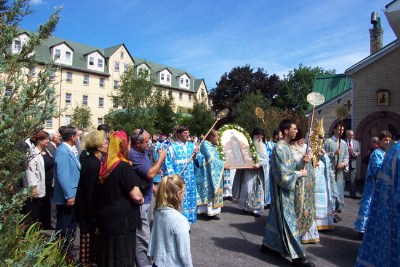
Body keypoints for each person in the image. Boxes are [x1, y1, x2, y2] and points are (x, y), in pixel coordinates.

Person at [261, 119, 315, 267]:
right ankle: (298, 257)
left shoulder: (286, 147)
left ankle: (268, 245)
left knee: (276, 218)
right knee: (288, 220)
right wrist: (300, 173)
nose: (296, 131)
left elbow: (290, 167)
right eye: (294, 129)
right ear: (286, 131)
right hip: (282, 191)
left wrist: (301, 162)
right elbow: (283, 175)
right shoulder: (279, 148)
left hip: (287, 191)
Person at [97, 131, 143, 267]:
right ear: (123, 146)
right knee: (122, 255)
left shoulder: (106, 165)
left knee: (108, 254)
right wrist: (141, 199)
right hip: (122, 221)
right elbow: (137, 196)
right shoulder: (123, 167)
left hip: (107, 217)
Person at [355, 142, 400, 267]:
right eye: (384, 140)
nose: (387, 142)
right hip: (375, 188)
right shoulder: (380, 153)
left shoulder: (392, 151)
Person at [129, 128, 167, 267]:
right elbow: (150, 173)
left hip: (148, 196)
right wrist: (161, 157)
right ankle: (144, 264)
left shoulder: (142, 151)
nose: (149, 143)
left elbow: (142, 174)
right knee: (142, 237)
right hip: (141, 201)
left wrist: (152, 187)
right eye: (146, 141)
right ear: (137, 143)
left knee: (147, 234)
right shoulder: (133, 154)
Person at [75, 130, 108, 266]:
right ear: (99, 146)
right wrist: (95, 215)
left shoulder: (92, 161)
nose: (107, 145)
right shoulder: (92, 164)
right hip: (89, 213)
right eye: (105, 142)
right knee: (88, 250)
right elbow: (90, 192)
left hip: (88, 211)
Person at [148, 175, 193, 267]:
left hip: (157, 263)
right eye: (184, 191)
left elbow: (154, 237)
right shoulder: (180, 221)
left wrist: (152, 254)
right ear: (178, 193)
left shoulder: (158, 212)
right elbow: (184, 254)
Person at [354, 131, 391, 234]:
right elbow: (377, 170)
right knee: (369, 205)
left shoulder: (386, 153)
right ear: (380, 141)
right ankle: (363, 229)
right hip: (373, 185)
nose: (387, 142)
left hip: (382, 186)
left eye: (389, 140)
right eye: (385, 140)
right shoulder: (376, 153)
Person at [53, 126, 81, 261]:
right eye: (76, 136)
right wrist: (69, 195)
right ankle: (63, 251)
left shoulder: (68, 150)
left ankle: (67, 249)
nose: (78, 138)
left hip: (73, 193)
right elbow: (62, 174)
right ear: (72, 137)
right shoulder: (63, 151)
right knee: (65, 224)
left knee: (71, 223)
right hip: (68, 196)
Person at [165, 126, 202, 224]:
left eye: (188, 133)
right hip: (179, 179)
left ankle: (189, 222)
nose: (187, 135)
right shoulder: (172, 147)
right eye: (185, 133)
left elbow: (200, 160)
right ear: (179, 134)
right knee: (180, 200)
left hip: (190, 180)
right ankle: (180, 223)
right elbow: (168, 163)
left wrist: (196, 156)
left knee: (190, 201)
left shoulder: (192, 146)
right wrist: (173, 178)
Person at [290, 129, 319, 244]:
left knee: (309, 207)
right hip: (297, 184)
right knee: (299, 207)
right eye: (298, 139)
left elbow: (314, 165)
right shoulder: (291, 150)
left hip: (308, 184)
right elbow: (293, 166)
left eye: (302, 139)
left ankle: (309, 234)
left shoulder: (307, 149)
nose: (301, 141)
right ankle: (298, 233)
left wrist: (313, 159)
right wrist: (302, 161)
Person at [234, 128, 269, 217]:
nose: (260, 139)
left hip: (259, 172)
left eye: (261, 137)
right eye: (258, 136)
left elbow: (266, 159)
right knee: (248, 189)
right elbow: (241, 156)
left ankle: (256, 210)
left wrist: (260, 164)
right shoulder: (247, 145)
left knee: (258, 191)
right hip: (248, 170)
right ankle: (245, 207)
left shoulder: (264, 146)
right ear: (253, 136)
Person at [23, 131, 52, 228]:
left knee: (43, 212)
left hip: (47, 185)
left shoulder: (47, 151)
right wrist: (33, 187)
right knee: (34, 212)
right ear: (39, 140)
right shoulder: (32, 153)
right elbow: (30, 171)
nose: (48, 141)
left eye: (48, 138)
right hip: (37, 187)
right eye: (45, 139)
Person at [196, 129, 225, 220]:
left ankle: (214, 212)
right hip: (206, 174)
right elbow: (210, 160)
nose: (218, 138)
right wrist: (223, 164)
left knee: (216, 191)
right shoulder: (205, 145)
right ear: (211, 137)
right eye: (217, 136)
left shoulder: (213, 145)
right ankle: (206, 212)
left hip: (216, 172)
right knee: (208, 191)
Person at [323, 123, 348, 221]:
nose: (340, 131)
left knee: (339, 191)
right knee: (333, 191)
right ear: (334, 129)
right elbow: (322, 155)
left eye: (342, 130)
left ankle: (337, 210)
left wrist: (343, 164)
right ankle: (332, 212)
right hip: (331, 170)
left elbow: (346, 156)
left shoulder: (344, 143)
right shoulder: (328, 142)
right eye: (339, 129)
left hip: (339, 171)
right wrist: (334, 153)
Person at [314, 149, 335, 230]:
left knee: (324, 200)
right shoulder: (307, 150)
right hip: (314, 181)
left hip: (322, 181)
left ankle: (324, 223)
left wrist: (324, 155)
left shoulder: (322, 152)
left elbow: (328, 164)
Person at [345, 130, 361, 198]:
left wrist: (355, 153)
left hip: (353, 162)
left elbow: (359, 152)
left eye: (352, 135)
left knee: (353, 179)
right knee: (343, 179)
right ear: (347, 135)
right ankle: (340, 194)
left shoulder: (356, 142)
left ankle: (352, 193)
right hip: (345, 163)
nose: (352, 136)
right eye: (350, 135)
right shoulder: (343, 142)